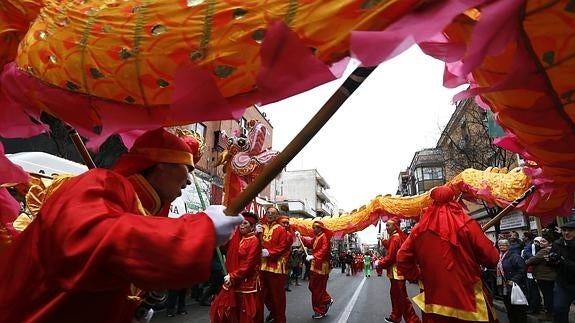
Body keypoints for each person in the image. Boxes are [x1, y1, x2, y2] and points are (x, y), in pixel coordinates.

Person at [0, 128, 243, 322]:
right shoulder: (101, 183)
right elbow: (91, 240)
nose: (189, 181)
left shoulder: (140, 208)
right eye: (187, 168)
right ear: (161, 163)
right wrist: (199, 229)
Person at [397, 185, 500, 323]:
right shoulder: (468, 224)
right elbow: (492, 257)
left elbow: (402, 257)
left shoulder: (418, 230)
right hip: (469, 303)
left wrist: (418, 276)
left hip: (434, 303)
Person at [221, 211, 263, 323]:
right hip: (236, 280)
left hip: (248, 282)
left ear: (252, 226)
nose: (242, 226)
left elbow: (248, 265)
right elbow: (224, 249)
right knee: (234, 311)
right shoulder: (237, 238)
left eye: (245, 223)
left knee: (246, 312)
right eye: (241, 223)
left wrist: (233, 276)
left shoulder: (254, 241)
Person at [377, 219, 420, 323]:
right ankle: (395, 317)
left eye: (388, 226)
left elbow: (391, 256)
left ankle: (413, 320)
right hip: (396, 272)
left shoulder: (395, 238)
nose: (386, 228)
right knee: (396, 295)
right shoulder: (396, 237)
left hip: (397, 272)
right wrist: (383, 240)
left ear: (395, 226)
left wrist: (379, 263)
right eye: (386, 226)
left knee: (401, 297)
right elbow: (391, 247)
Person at [259, 206, 293, 323]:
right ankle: (272, 313)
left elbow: (283, 246)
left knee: (277, 296)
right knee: (262, 295)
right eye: (268, 212)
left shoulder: (281, 229)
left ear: (276, 216)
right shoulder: (260, 228)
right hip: (261, 266)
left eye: (272, 213)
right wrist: (255, 234)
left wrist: (269, 252)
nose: (269, 215)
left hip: (275, 267)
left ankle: (280, 319)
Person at [299, 220, 334, 319]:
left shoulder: (324, 237)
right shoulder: (317, 237)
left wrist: (314, 256)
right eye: (313, 227)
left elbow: (324, 249)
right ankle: (327, 300)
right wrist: (300, 237)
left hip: (321, 267)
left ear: (320, 228)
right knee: (313, 287)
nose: (313, 229)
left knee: (317, 289)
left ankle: (320, 310)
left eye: (315, 228)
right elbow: (310, 243)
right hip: (315, 266)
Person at [546, 220, 575, 323]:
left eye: (570, 230)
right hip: (563, 284)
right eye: (564, 230)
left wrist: (562, 260)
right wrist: (551, 261)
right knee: (559, 310)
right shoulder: (557, 244)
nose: (566, 233)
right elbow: (553, 266)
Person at [525, 236, 556, 321]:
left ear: (549, 243)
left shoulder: (544, 250)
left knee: (547, 296)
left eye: (544, 241)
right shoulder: (551, 249)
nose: (541, 243)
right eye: (541, 241)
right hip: (550, 276)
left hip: (544, 277)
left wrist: (524, 262)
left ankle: (549, 314)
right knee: (550, 295)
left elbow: (532, 260)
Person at [497, 239, 528, 323]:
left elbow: (522, 269)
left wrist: (514, 280)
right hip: (504, 287)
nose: (502, 246)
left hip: (514, 286)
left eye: (504, 245)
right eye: (500, 245)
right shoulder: (499, 256)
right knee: (509, 309)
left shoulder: (515, 256)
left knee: (518, 309)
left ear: (509, 246)